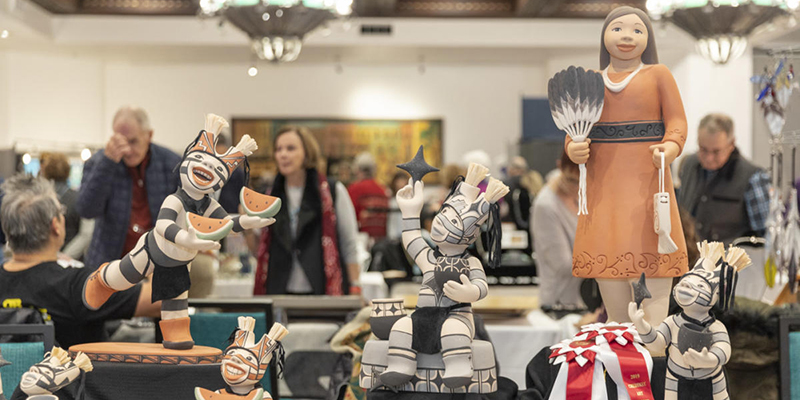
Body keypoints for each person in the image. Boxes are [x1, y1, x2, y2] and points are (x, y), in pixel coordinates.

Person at [565, 6, 688, 327]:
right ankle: (621, 349)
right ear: (604, 36)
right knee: (617, 315)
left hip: (649, 194)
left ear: (648, 38)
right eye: (618, 28)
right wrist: (573, 148)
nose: (627, 36)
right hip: (605, 197)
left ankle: (653, 352)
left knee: (654, 315)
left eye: (637, 30)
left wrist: (671, 146)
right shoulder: (591, 82)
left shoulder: (659, 74)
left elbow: (677, 121)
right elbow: (574, 128)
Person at [0, 175, 159, 348]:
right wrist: (155, 249)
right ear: (56, 226)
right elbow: (158, 300)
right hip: (78, 366)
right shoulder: (77, 285)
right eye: (61, 211)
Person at [254, 126, 362, 295]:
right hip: (279, 290)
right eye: (278, 149)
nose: (283, 154)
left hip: (322, 290)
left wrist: (355, 285)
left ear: (307, 153)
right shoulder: (268, 194)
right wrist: (245, 228)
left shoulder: (332, 191)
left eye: (290, 148)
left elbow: (349, 243)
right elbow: (259, 249)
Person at [77, 106, 182, 270]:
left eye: (133, 141)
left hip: (157, 263)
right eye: (120, 142)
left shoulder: (172, 164)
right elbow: (86, 210)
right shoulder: (99, 162)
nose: (127, 150)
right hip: (109, 263)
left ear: (149, 135)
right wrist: (107, 164)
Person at [678, 113, 770, 244]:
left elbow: (765, 236)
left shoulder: (753, 177)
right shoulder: (689, 165)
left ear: (731, 144)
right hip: (691, 253)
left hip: (731, 254)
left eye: (716, 152)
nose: (709, 158)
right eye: (703, 149)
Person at [531, 152, 584, 309]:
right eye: (572, 180)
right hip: (560, 302)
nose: (578, 187)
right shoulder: (546, 206)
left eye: (585, 181)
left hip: (582, 299)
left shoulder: (580, 196)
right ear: (559, 166)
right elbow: (562, 264)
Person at [39, 152, 94, 260]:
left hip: (44, 258)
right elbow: (86, 234)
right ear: (68, 171)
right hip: (72, 260)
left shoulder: (38, 199)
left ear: (45, 172)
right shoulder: (80, 198)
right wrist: (66, 256)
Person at [348, 152, 389, 241]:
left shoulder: (354, 189)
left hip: (360, 239)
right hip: (381, 240)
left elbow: (349, 217)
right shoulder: (383, 190)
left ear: (357, 169)